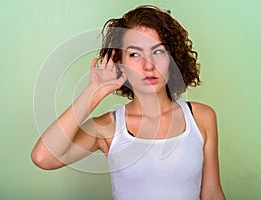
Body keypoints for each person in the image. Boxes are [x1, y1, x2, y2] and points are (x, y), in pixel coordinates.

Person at [31, 5, 226, 200]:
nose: (148, 65)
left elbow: (212, 194)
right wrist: (93, 92)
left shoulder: (201, 117)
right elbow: (43, 158)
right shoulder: (107, 128)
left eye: (158, 52)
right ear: (120, 62)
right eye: (134, 54)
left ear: (172, 58)